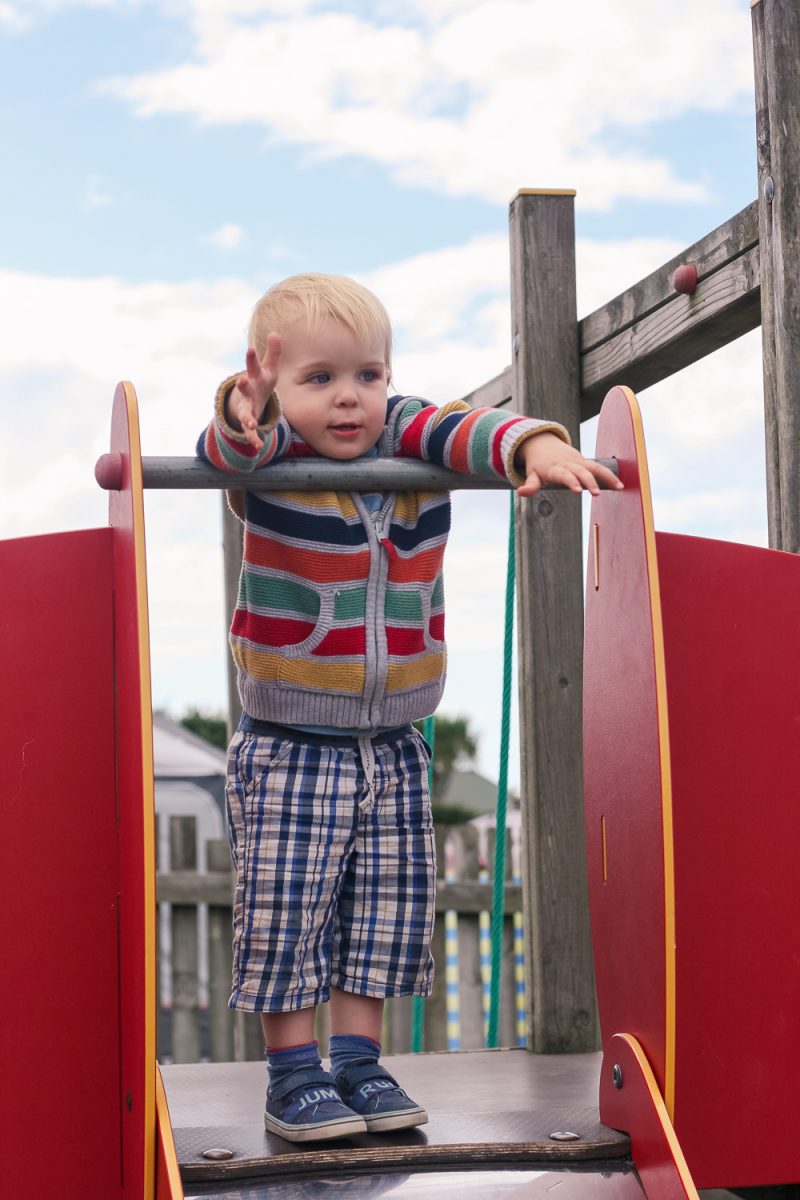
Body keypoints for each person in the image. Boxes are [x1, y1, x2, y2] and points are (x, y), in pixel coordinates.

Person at [198, 273, 621, 1144]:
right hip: (291, 741)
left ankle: (357, 1063)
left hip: (395, 741)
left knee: (387, 907)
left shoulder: (407, 434)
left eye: (367, 374)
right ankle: (292, 1076)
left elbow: (469, 427)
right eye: (317, 379)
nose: (348, 397)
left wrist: (533, 446)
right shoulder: (271, 455)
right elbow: (227, 457)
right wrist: (243, 419)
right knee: (289, 909)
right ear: (273, 386)